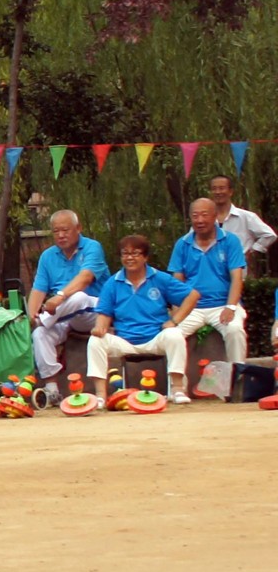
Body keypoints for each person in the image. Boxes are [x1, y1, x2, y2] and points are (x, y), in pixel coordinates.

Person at [87, 235, 200, 405]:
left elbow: (193, 295)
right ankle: (101, 395)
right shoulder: (112, 283)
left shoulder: (159, 278)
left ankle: (177, 389)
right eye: (125, 254)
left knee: (175, 334)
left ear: (145, 257)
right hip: (125, 340)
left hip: (155, 338)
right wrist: (99, 328)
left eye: (135, 253)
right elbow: (104, 314)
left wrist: (174, 321)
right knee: (95, 341)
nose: (129, 258)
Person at [26, 210, 110, 404]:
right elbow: (38, 289)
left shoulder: (92, 248)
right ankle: (52, 389)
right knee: (40, 335)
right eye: (56, 231)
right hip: (63, 317)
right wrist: (31, 314)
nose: (61, 235)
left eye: (65, 230)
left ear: (78, 229)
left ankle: (43, 321)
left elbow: (85, 278)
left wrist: (60, 297)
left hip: (94, 311)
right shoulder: (47, 256)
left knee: (77, 297)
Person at [168, 197, 248, 369]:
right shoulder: (182, 244)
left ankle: (238, 380)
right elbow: (177, 282)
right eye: (195, 216)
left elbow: (237, 277)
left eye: (204, 215)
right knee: (171, 335)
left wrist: (231, 307)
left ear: (215, 217)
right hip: (192, 307)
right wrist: (177, 312)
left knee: (235, 331)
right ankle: (177, 389)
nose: (200, 220)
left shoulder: (230, 241)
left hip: (222, 305)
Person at [209, 174, 274, 275]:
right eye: (214, 189)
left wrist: (252, 252)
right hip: (212, 271)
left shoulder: (246, 217)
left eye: (221, 188)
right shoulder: (206, 218)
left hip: (239, 270)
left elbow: (269, 235)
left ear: (230, 191)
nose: (218, 192)